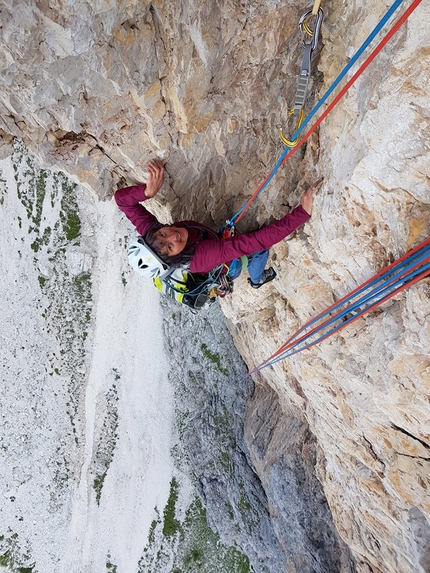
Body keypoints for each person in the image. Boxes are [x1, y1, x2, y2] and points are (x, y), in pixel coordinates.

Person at [115, 161, 319, 288]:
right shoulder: (202, 257)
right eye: (170, 247)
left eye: (162, 234)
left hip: (215, 240)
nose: (172, 236)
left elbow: (122, 201)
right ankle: (257, 280)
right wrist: (302, 213)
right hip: (230, 266)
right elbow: (254, 242)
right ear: (173, 259)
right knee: (260, 249)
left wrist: (147, 193)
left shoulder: (152, 234)